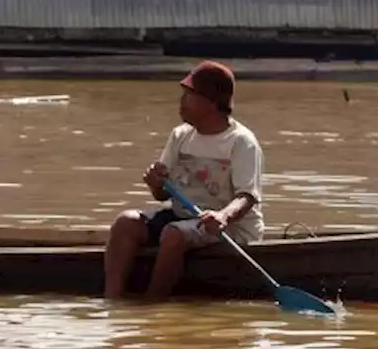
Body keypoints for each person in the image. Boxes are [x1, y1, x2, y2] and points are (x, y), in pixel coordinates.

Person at [103, 60, 265, 300]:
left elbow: (247, 196)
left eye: (188, 95)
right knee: (125, 222)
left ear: (211, 102)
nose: (181, 102)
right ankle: (112, 301)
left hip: (231, 228)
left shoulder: (241, 142)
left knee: (173, 234)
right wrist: (156, 183)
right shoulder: (180, 135)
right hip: (183, 217)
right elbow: (162, 195)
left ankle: (152, 303)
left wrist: (222, 216)